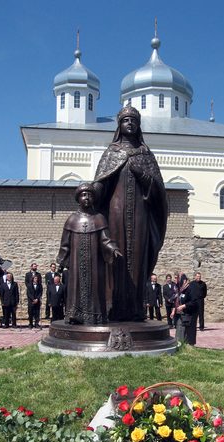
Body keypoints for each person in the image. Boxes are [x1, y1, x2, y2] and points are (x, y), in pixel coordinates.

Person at [94, 105, 167, 321]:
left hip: (140, 215)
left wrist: (143, 176)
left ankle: (135, 308)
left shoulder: (145, 154)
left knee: (137, 259)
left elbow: (159, 191)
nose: (130, 124)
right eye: (126, 120)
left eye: (133, 121)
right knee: (115, 258)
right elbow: (102, 183)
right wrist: (92, 190)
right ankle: (112, 307)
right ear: (119, 124)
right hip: (115, 213)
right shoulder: (111, 152)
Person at [57, 183, 121, 325]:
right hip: (76, 264)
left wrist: (113, 249)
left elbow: (105, 240)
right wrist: (61, 261)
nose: (87, 198)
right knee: (76, 288)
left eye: (90, 195)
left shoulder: (99, 218)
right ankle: (75, 315)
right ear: (78, 198)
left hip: (95, 263)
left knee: (95, 289)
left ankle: (95, 317)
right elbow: (65, 244)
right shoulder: (72, 220)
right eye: (84, 195)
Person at [171, 273, 199, 345]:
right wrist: (174, 310)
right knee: (179, 328)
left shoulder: (191, 288)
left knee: (187, 331)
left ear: (182, 280)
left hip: (190, 314)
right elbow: (177, 300)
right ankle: (178, 344)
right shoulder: (180, 289)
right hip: (182, 314)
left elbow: (194, 301)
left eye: (176, 278)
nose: (175, 280)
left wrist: (184, 306)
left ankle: (187, 345)